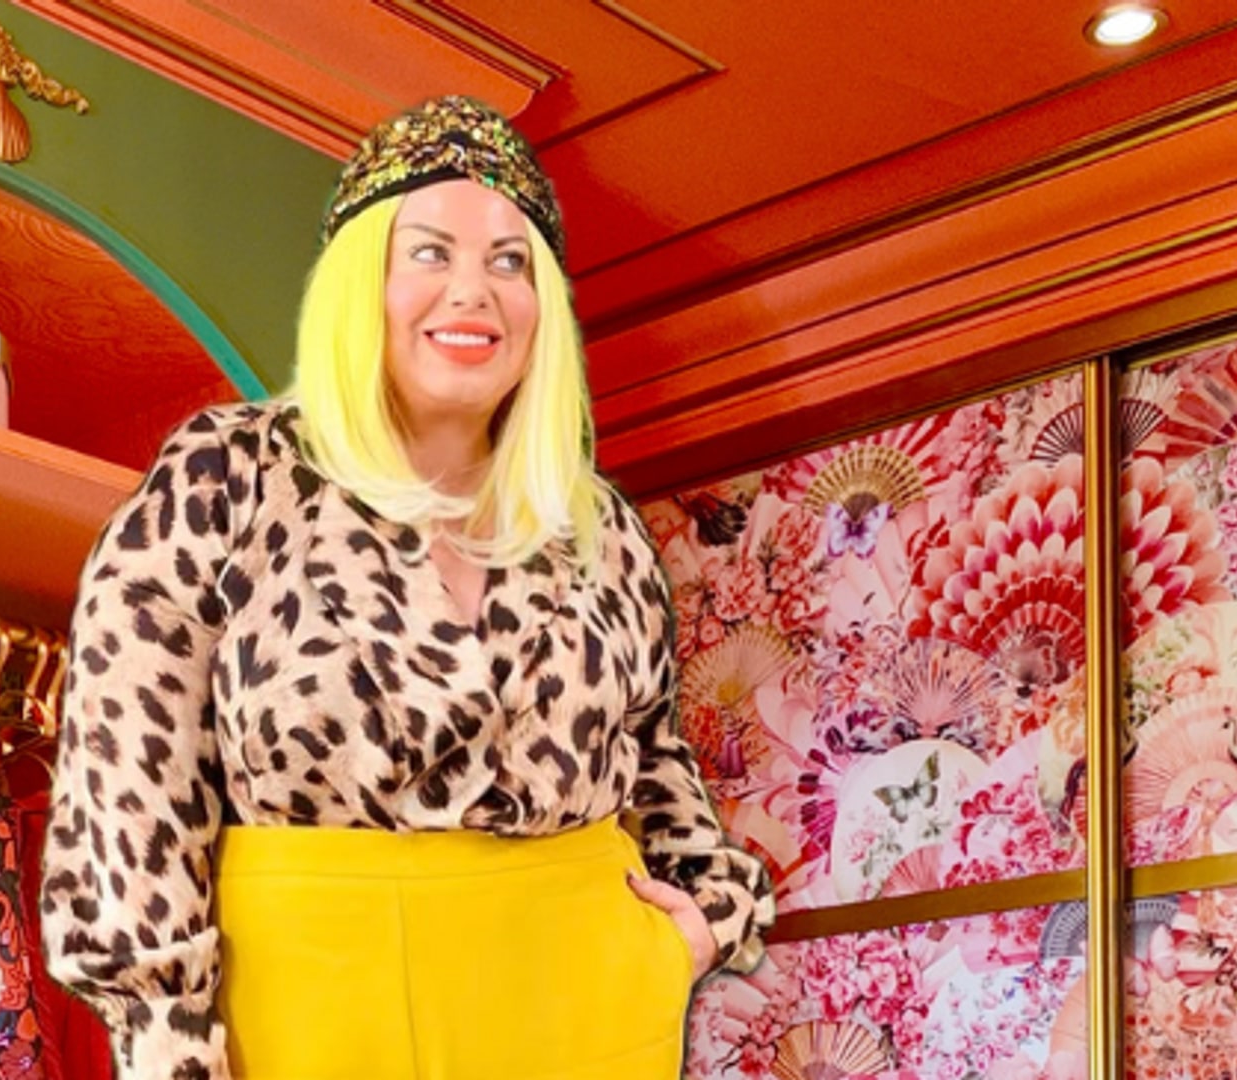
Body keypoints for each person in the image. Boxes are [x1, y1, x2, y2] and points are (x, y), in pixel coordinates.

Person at [42, 95, 774, 1080]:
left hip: (588, 1004)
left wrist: (708, 917)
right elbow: (126, 780)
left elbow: (650, 753)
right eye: (429, 252)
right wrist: (170, 1045)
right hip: (303, 1016)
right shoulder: (230, 476)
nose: (472, 291)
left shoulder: (599, 532)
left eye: (509, 262)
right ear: (362, 285)